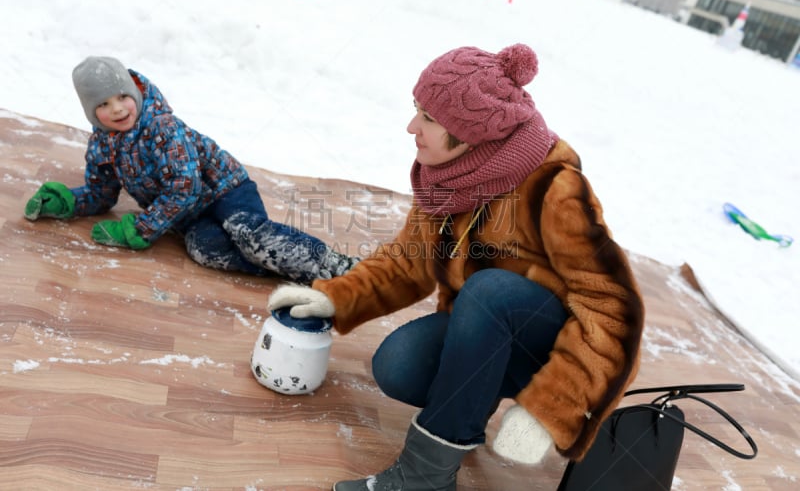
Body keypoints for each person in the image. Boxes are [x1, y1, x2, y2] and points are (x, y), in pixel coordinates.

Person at [267, 43, 644, 490]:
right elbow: (410, 259)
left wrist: (553, 405)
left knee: (491, 291)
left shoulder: (553, 187)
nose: (411, 127)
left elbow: (613, 308)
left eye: (428, 118)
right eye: (417, 109)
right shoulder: (448, 175)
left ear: (472, 133)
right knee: (399, 366)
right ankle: (465, 408)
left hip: (546, 340)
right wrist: (335, 295)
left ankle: (423, 478)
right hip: (484, 327)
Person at [24, 56, 358, 284]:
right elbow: (102, 194)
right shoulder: (103, 145)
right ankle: (292, 270)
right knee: (204, 251)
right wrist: (68, 202)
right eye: (103, 104)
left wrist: (142, 228)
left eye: (121, 96)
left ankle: (335, 266)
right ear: (91, 112)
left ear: (133, 91)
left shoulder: (162, 127)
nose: (117, 108)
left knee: (247, 234)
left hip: (225, 191)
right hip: (188, 218)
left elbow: (185, 188)